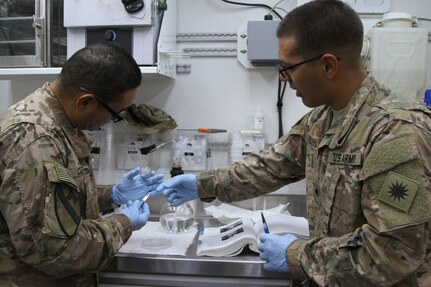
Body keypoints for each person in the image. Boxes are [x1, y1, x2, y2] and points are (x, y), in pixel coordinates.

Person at [156, 1, 431, 286]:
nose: (283, 78)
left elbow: (395, 251)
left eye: (288, 68)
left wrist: (296, 254)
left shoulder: (395, 133)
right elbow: (268, 168)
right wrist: (203, 184)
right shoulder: (320, 121)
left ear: (328, 65)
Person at [0, 42, 164, 286]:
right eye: (116, 113)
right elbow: (57, 251)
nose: (112, 121)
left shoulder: (58, 121)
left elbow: (56, 202)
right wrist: (123, 223)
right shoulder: (36, 141)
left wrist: (113, 195)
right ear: (85, 101)